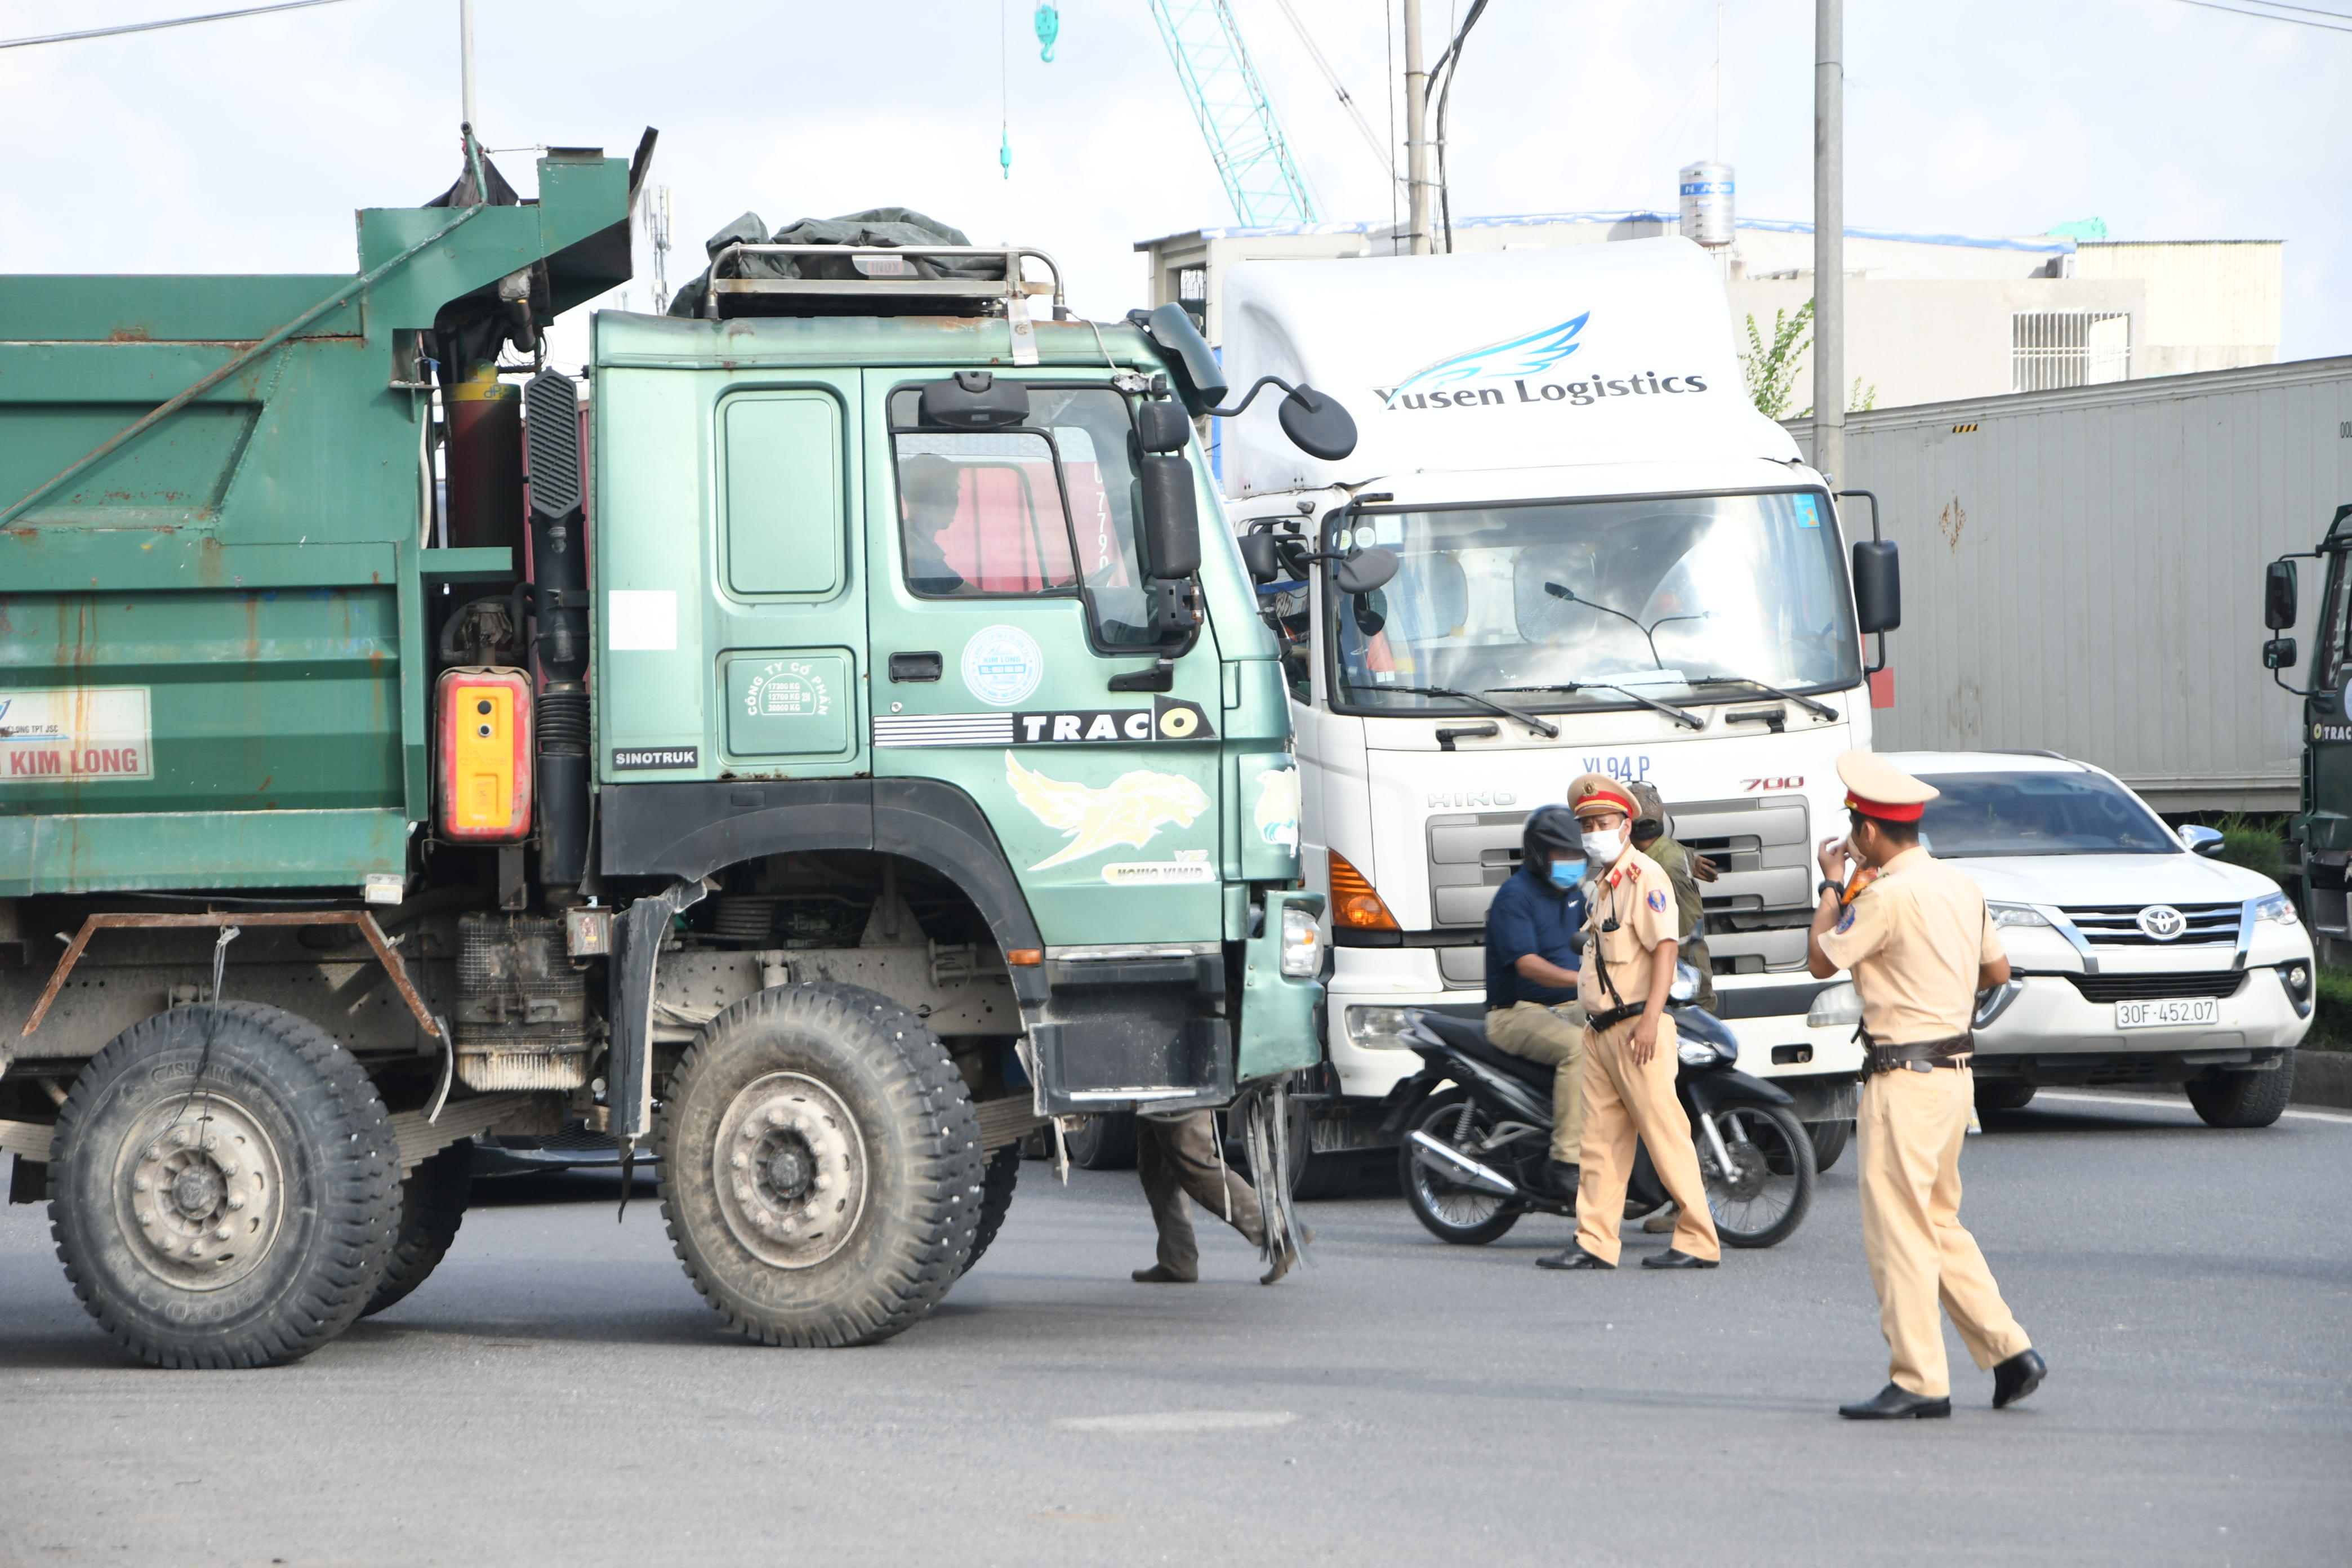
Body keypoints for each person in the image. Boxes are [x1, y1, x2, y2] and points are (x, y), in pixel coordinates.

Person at [1810, 750, 2045, 1419]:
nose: (1852, 840)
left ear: (1870, 835)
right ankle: (2009, 1352)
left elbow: (1820, 958)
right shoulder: (1958, 886)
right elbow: (1996, 972)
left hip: (1903, 1079)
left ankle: (1919, 1379)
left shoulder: (1883, 896)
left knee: (1899, 1234)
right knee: (1937, 1222)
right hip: (1955, 1076)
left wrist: (1833, 887)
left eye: (1855, 829)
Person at [1538, 774, 1723, 1272]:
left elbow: (1666, 950)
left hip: (1637, 1029)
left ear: (1626, 825)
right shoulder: (1604, 884)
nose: (1595, 831)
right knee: (1599, 1143)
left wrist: (1650, 1018)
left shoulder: (1646, 877)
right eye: (1588, 824)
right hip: (1600, 1031)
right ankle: (1595, 1241)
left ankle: (1699, 1240)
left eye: (1604, 822)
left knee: (1665, 1136)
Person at [1482, 804, 1591, 1199]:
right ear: (1538, 855)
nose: (1572, 864)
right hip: (1516, 1013)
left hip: (1569, 1005)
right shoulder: (1516, 896)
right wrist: (1584, 981)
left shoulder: (1577, 895)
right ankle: (1565, 1163)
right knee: (1579, 1050)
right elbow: (1528, 966)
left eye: (1578, 856)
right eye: (1563, 856)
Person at [1130, 1111, 1304, 1287]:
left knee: (1195, 1162)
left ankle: (1280, 1231)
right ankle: (1177, 1259)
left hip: (1176, 1088)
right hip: (1159, 1089)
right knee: (1156, 1164)